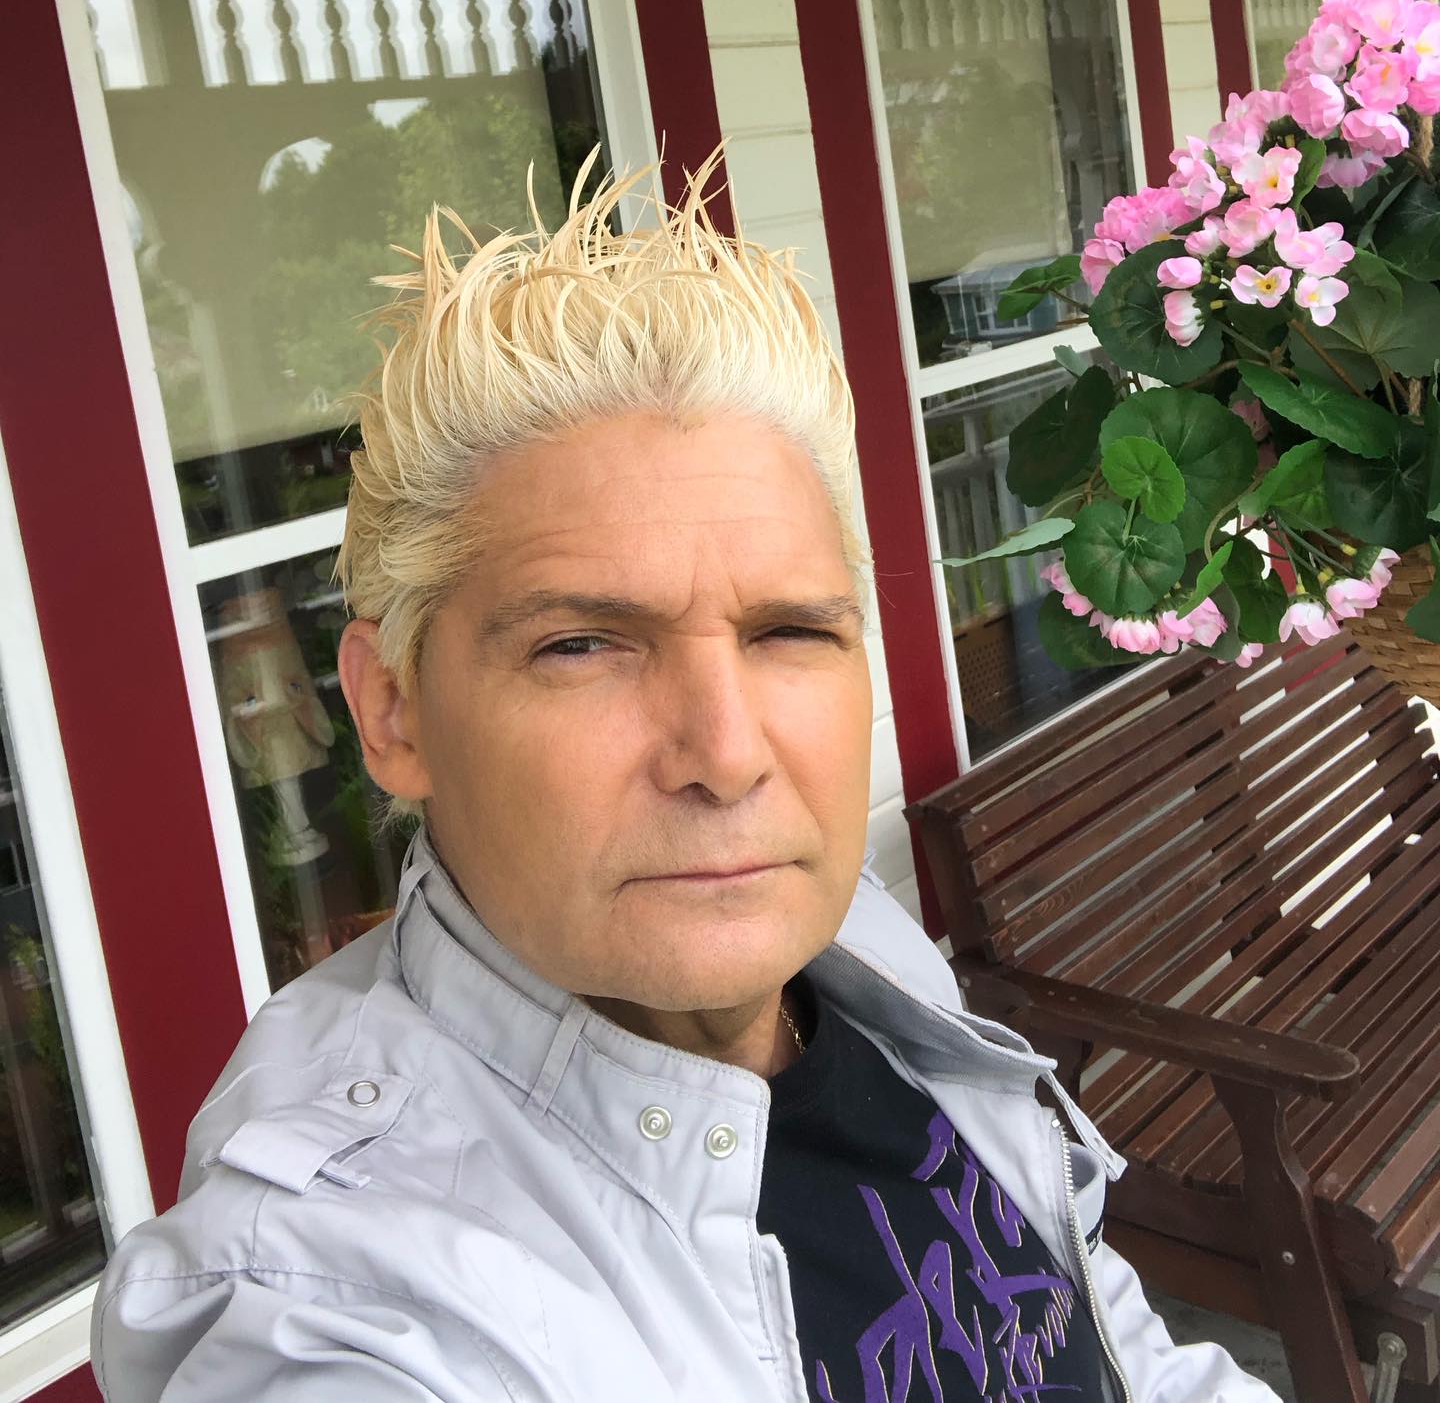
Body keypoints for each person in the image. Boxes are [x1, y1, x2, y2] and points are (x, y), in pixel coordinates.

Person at [93, 152, 1279, 1401]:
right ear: (393, 709)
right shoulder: (336, 1287)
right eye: (582, 644)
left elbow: (1107, 1338)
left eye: (790, 631)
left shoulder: (854, 949)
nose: (726, 753)